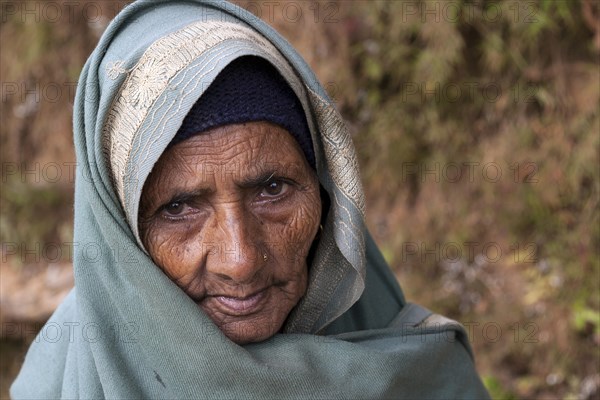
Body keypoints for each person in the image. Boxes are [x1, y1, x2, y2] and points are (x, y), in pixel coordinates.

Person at [11, 0, 490, 398]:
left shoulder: (418, 374)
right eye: (179, 207)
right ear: (122, 229)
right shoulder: (59, 381)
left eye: (273, 189)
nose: (240, 261)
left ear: (324, 193)